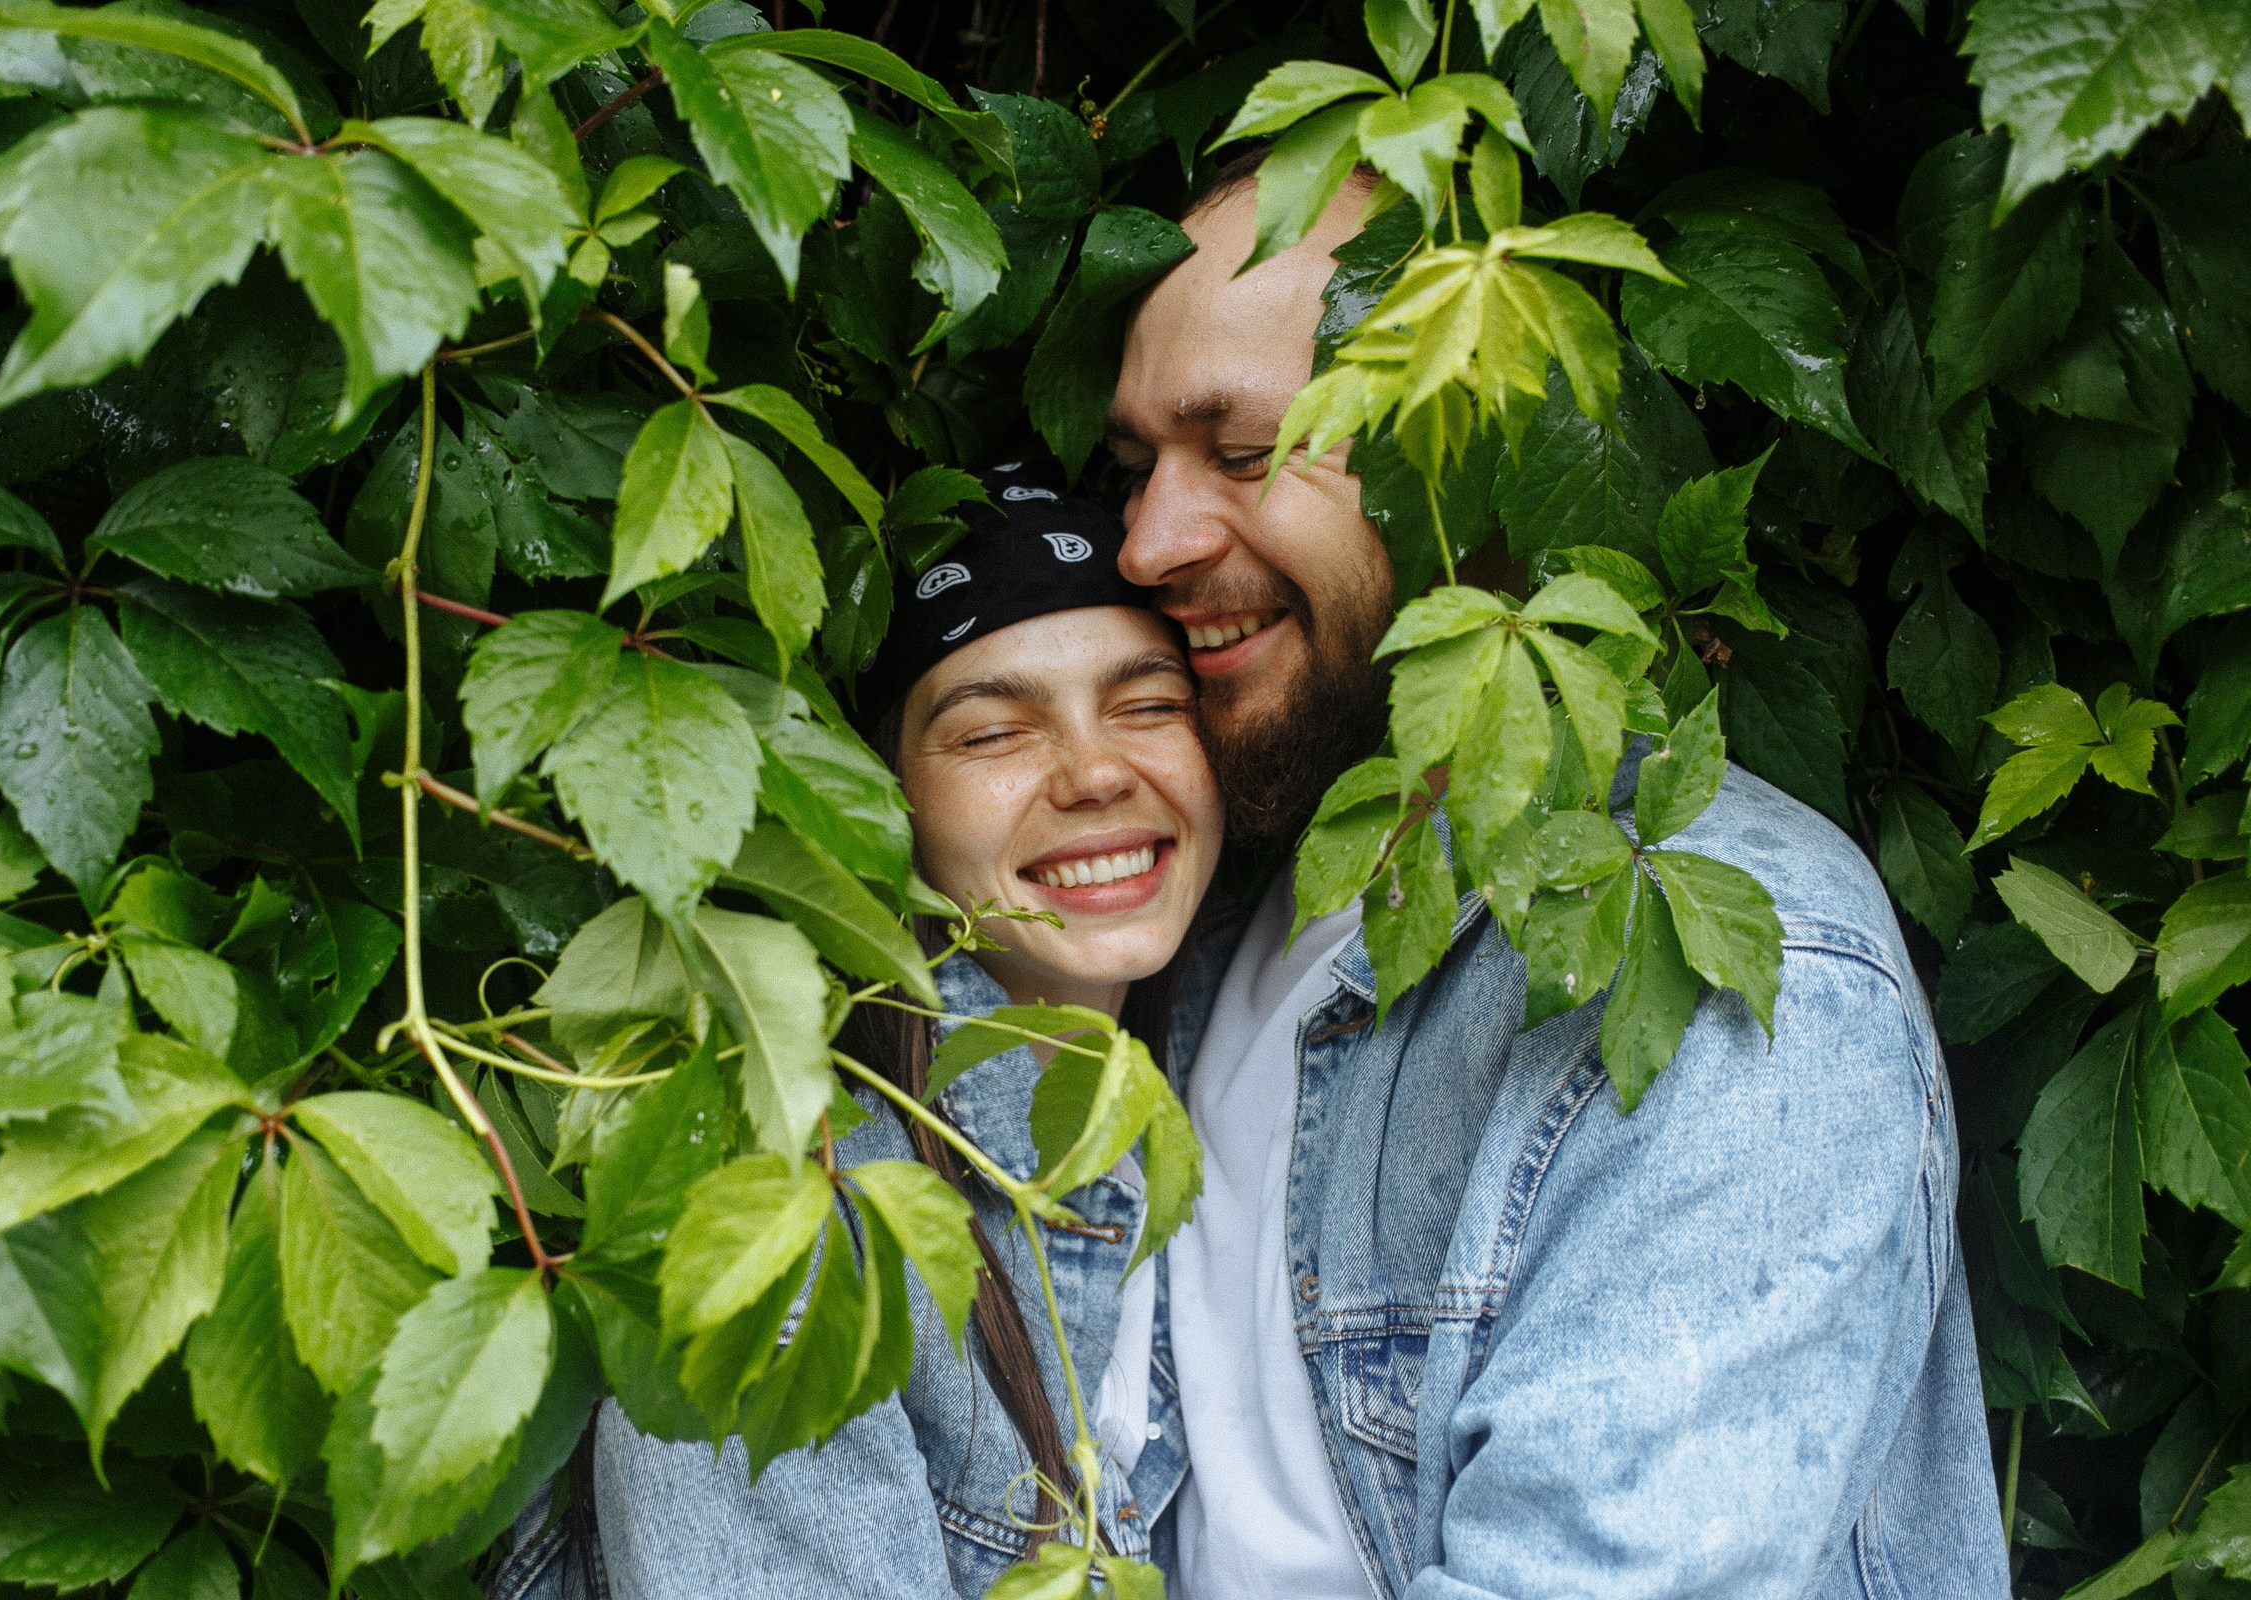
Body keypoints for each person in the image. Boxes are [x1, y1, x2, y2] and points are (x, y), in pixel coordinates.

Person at [1095, 163, 2011, 1597]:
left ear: (1471, 461)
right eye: (1138, 465)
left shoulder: (1723, 972)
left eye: (1242, 450)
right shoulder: (1193, 921)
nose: (1148, 540)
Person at [503, 466, 1225, 1600]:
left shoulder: (1217, 1105)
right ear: (883, 803)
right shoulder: (791, 1232)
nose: (1095, 772)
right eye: (994, 733)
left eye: (1149, 706)